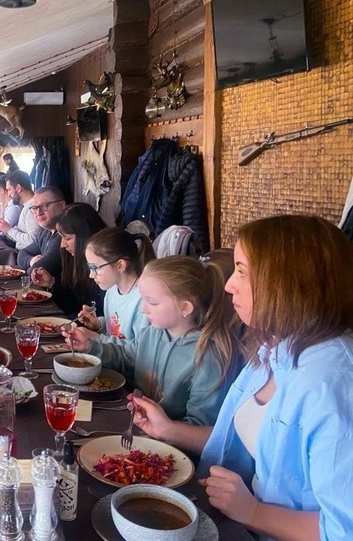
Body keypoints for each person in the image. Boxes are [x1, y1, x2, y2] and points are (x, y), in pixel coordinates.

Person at [128, 215, 353, 541]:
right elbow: (236, 444)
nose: (230, 283)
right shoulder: (275, 349)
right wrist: (169, 430)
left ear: (290, 281)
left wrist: (254, 512)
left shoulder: (333, 383)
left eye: (242, 272)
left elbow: (343, 529)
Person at [64, 256, 243, 425]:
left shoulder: (209, 356)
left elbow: (200, 424)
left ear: (185, 307)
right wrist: (90, 346)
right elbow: (125, 355)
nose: (143, 309)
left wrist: (159, 427)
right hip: (137, 424)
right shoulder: (152, 333)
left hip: (174, 448)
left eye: (152, 303)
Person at [76, 227, 156, 342]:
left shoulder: (143, 299)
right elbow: (114, 332)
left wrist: (96, 337)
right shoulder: (112, 291)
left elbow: (139, 351)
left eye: (95, 268)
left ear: (120, 266)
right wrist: (99, 325)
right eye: (89, 268)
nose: (91, 275)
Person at [32, 203, 106, 316]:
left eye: (67, 238)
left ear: (84, 236)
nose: (62, 245)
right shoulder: (74, 260)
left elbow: (102, 317)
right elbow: (74, 305)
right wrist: (52, 284)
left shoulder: (105, 269)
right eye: (61, 237)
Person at [17, 186, 67, 273]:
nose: (38, 212)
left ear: (62, 206)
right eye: (34, 208)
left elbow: (36, 271)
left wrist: (31, 267)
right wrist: (31, 260)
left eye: (44, 205)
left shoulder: (64, 235)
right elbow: (21, 254)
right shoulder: (44, 232)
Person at [0, 170, 42, 251]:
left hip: (26, 256)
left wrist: (9, 230)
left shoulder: (32, 207)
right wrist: (4, 229)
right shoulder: (25, 206)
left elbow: (33, 240)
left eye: (9, 189)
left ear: (18, 188)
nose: (8, 194)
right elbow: (19, 238)